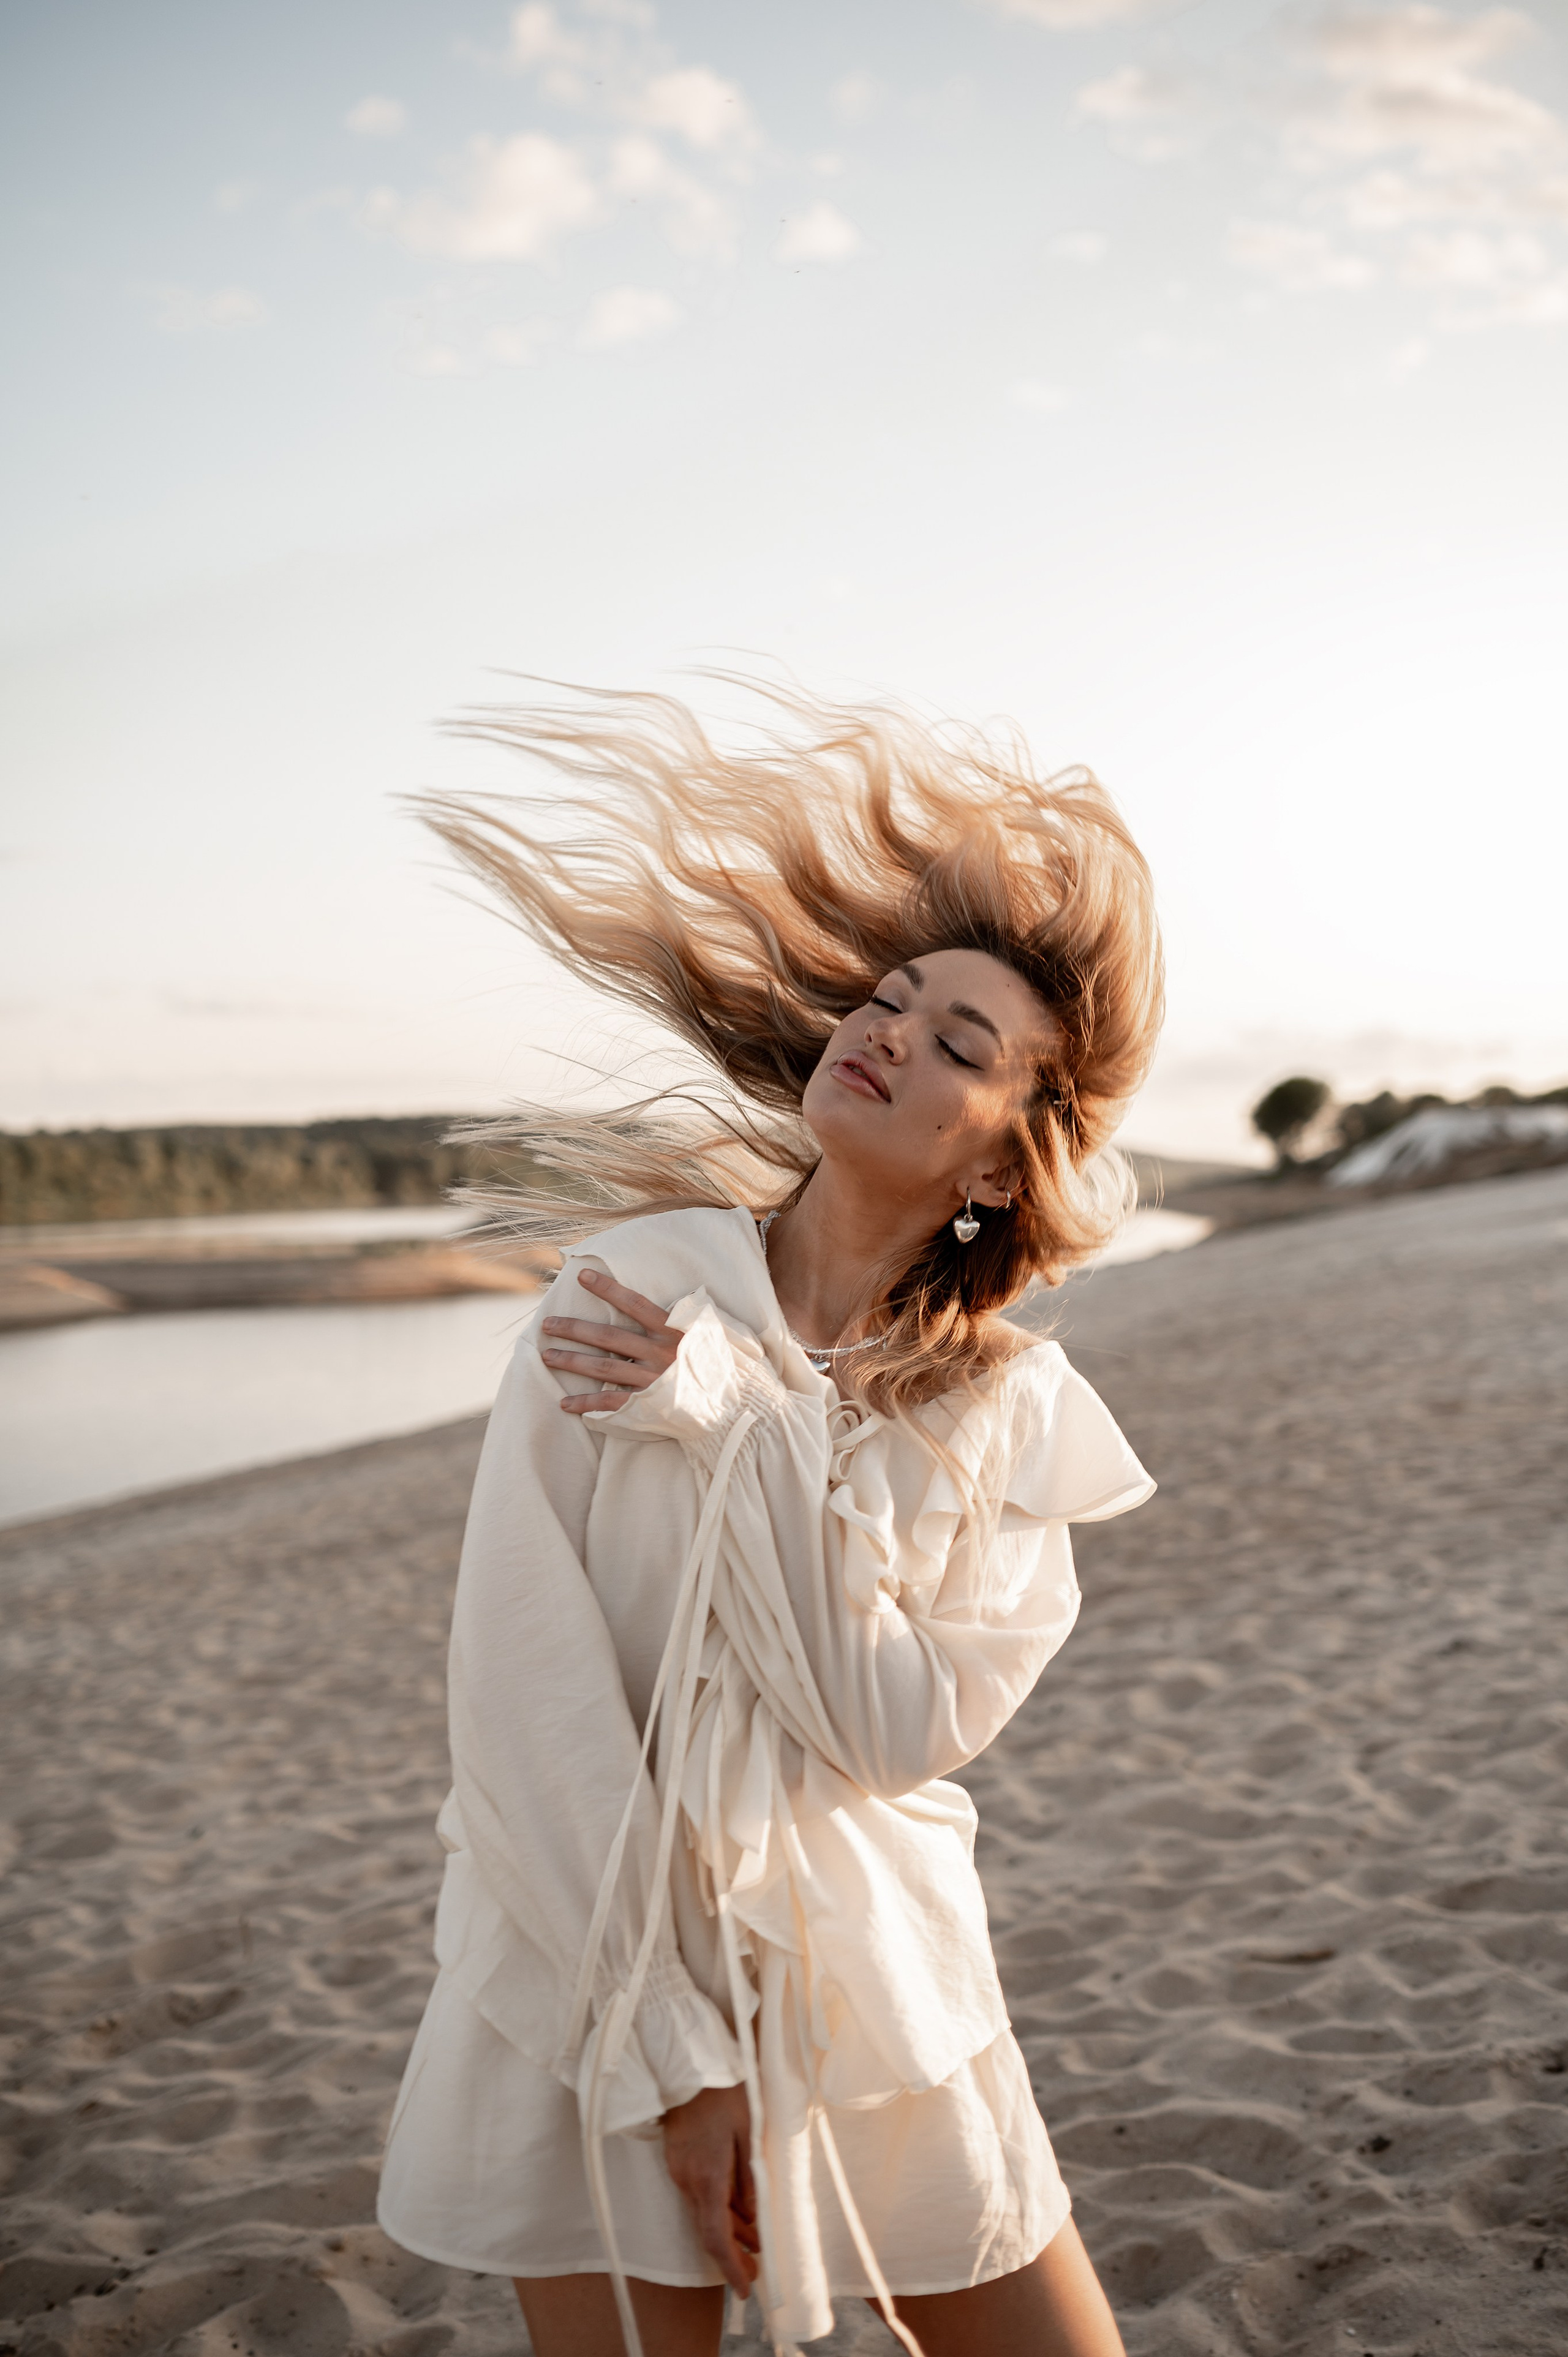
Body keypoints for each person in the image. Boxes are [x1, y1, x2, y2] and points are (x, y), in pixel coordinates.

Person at [377, 681, 1165, 2357]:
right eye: (889, 1001)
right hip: (594, 1965)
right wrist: (670, 2052)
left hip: (872, 1978)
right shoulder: (630, 1292)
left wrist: (744, 1421)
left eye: (960, 1046)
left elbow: (886, 1730)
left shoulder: (1005, 1416)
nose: (889, 1034)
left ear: (1000, 1167)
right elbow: (523, 1697)